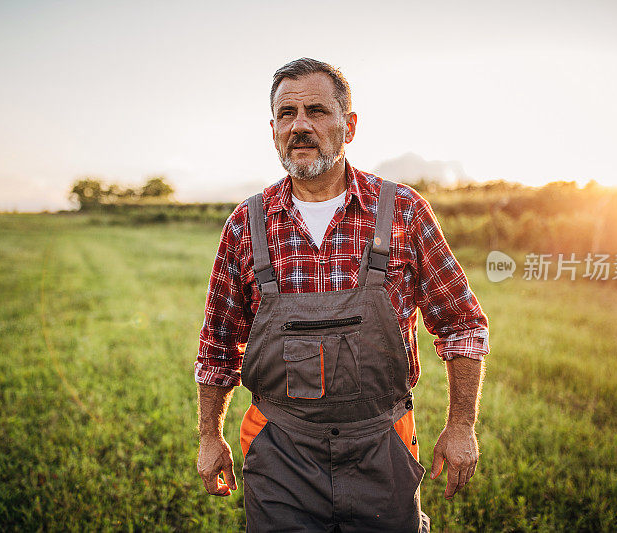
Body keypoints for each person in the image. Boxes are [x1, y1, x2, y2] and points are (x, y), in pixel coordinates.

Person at [195, 57, 489, 532]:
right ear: (272, 131)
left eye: (317, 111)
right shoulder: (245, 226)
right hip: (280, 449)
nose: (300, 126)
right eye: (287, 115)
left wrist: (460, 427)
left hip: (381, 444)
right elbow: (219, 346)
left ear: (349, 126)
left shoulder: (402, 211)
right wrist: (210, 437)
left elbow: (462, 323)